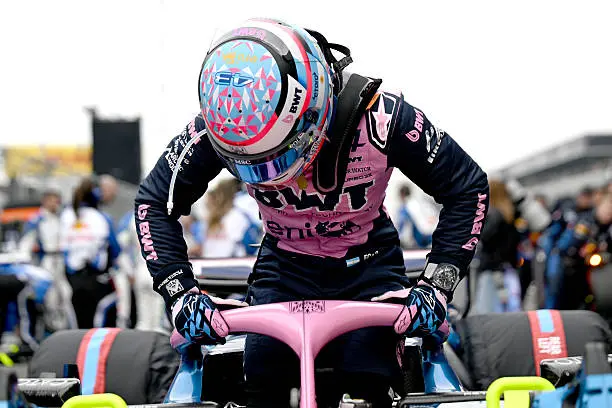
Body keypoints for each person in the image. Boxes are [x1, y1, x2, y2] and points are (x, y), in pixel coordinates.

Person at [134, 19, 489, 407]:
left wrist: (437, 286)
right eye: (252, 163)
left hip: (368, 264)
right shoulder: (220, 125)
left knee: (371, 376)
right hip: (285, 267)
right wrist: (180, 293)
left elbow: (467, 187)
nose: (269, 173)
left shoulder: (384, 119)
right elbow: (154, 202)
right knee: (261, 378)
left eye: (276, 155)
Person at [60, 178, 121, 328]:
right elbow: (115, 249)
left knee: (78, 326)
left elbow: (63, 248)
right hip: (97, 279)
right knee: (99, 324)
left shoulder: (66, 216)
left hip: (71, 279)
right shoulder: (102, 218)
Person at [19, 189, 77, 331]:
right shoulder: (37, 220)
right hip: (46, 260)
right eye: (53, 200)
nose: (56, 204)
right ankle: (52, 328)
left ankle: (68, 328)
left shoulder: (61, 218)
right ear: (45, 201)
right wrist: (27, 266)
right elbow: (25, 245)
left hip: (60, 260)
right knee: (50, 298)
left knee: (66, 293)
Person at [201, 178, 262, 258]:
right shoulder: (216, 217)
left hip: (230, 263)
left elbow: (234, 247)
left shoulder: (236, 216)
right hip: (211, 262)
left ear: (222, 195)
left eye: (217, 193)